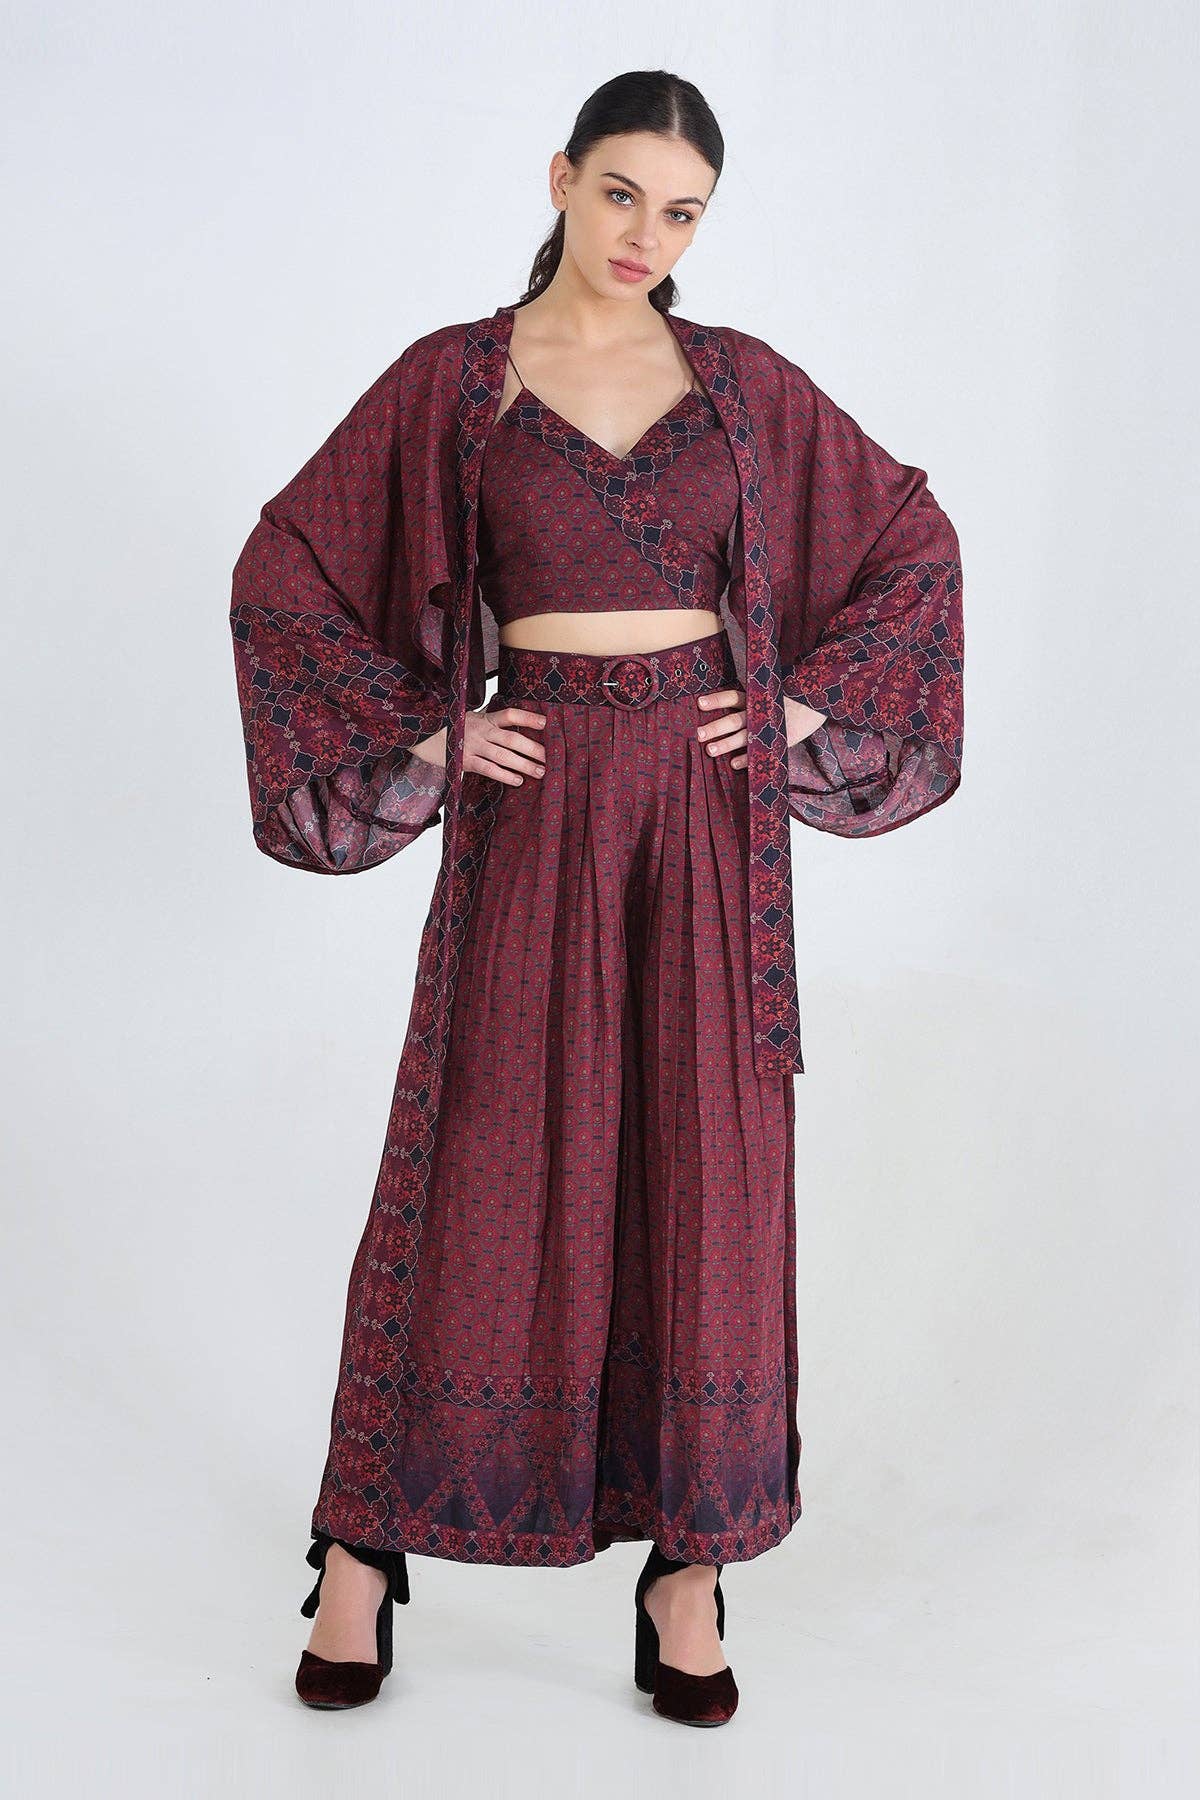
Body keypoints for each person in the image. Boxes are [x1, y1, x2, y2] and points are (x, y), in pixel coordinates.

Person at [229, 69, 964, 1727]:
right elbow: (288, 569)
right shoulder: (456, 382)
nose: (647, 236)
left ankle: (689, 1568)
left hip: (706, 817)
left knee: (706, 1165)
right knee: (481, 1152)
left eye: (683, 212)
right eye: (623, 193)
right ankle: (362, 1544)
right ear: (562, 178)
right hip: (538, 807)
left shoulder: (741, 387)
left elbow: (913, 543)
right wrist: (435, 730)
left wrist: (796, 704)